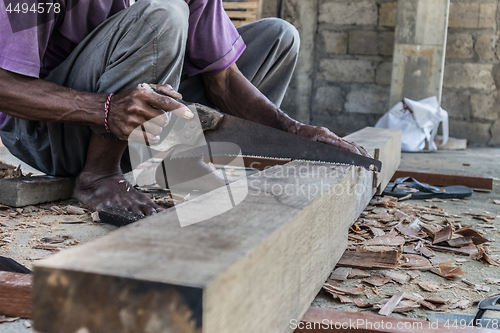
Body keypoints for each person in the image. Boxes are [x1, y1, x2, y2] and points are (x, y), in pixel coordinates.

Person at [0, 0, 369, 216]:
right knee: (163, 15)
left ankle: (194, 166)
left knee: (278, 37)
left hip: (135, 126)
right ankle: (99, 176)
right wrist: (105, 108)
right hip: (46, 133)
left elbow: (221, 80)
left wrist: (291, 129)